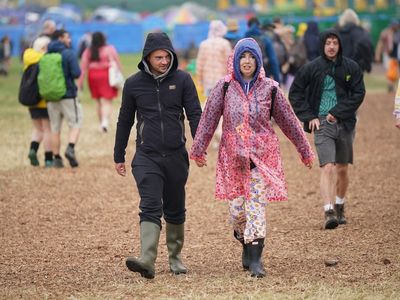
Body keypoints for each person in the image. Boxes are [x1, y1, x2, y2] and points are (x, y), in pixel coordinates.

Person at [190, 38, 314, 278]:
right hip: (232, 159)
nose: (247, 61)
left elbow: (289, 121)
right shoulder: (224, 87)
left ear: (258, 61)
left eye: (252, 57)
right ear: (236, 60)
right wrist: (198, 149)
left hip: (261, 157)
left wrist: (305, 150)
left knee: (256, 206)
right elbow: (208, 119)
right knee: (237, 211)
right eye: (243, 57)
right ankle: (244, 239)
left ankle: (256, 259)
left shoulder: (270, 88)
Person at [114, 32, 202, 279]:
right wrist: (118, 154)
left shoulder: (183, 80)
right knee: (150, 205)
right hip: (147, 155)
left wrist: (200, 145)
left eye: (167, 56)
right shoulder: (133, 84)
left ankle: (175, 258)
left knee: (175, 207)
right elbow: (124, 121)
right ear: (147, 58)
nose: (164, 61)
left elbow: (195, 114)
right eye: (158, 57)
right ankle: (147, 260)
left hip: (176, 155)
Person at [289, 29, 366, 230]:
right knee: (328, 166)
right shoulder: (311, 68)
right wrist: (309, 116)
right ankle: (329, 210)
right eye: (328, 43)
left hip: (345, 123)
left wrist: (338, 112)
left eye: (335, 43)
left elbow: (358, 93)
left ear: (339, 45)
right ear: (322, 45)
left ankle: (340, 204)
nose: (331, 46)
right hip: (321, 123)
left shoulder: (351, 67)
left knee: (342, 169)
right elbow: (295, 93)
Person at [46, 29, 82, 168]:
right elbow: (76, 73)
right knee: (75, 123)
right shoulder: (68, 53)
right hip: (68, 96)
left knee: (55, 128)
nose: (70, 40)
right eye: (67, 37)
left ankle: (57, 158)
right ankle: (70, 148)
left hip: (50, 96)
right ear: (60, 38)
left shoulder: (47, 54)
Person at [196, 20, 232, 147]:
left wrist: (199, 80)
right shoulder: (225, 44)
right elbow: (229, 63)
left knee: (210, 107)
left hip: (208, 81)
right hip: (223, 81)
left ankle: (211, 133)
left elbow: (199, 64)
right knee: (223, 106)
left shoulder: (204, 44)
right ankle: (220, 132)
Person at [78, 31, 122, 133]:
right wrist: (119, 74)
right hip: (106, 75)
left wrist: (79, 83)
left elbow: (83, 68)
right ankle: (105, 122)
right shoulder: (109, 49)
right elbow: (117, 62)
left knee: (98, 101)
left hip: (92, 76)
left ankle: (101, 123)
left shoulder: (88, 51)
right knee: (106, 101)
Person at [22, 36, 53, 167]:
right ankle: (48, 159)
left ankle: (33, 150)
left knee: (37, 128)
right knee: (47, 129)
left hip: (31, 100)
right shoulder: (45, 60)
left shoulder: (28, 60)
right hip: (44, 101)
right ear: (43, 48)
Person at [337, 8, 374, 73]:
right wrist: (367, 65)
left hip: (340, 67)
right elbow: (368, 47)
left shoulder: (336, 33)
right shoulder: (361, 32)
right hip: (357, 67)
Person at [245, 17, 280, 84]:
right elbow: (273, 60)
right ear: (259, 25)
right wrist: (277, 80)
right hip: (264, 75)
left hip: (247, 76)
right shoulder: (265, 39)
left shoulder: (244, 39)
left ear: (248, 26)